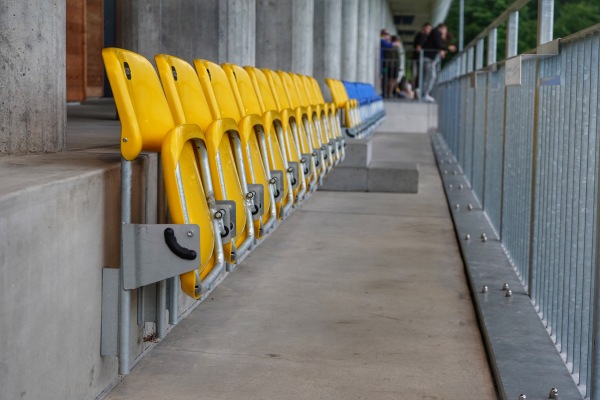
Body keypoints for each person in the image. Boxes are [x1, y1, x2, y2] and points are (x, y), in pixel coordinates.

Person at [421, 23, 456, 102]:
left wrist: (443, 49)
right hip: (428, 58)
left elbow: (438, 45)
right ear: (442, 28)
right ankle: (425, 94)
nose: (445, 32)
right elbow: (439, 45)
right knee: (431, 76)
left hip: (428, 58)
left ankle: (425, 94)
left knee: (428, 76)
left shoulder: (435, 33)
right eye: (445, 30)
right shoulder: (436, 32)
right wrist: (447, 48)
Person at [412, 23, 432, 96]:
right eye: (428, 28)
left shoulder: (423, 36)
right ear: (424, 28)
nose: (429, 30)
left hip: (419, 59)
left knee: (420, 75)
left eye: (430, 29)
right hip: (418, 59)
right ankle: (417, 91)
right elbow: (418, 48)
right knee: (419, 74)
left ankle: (417, 91)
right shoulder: (421, 36)